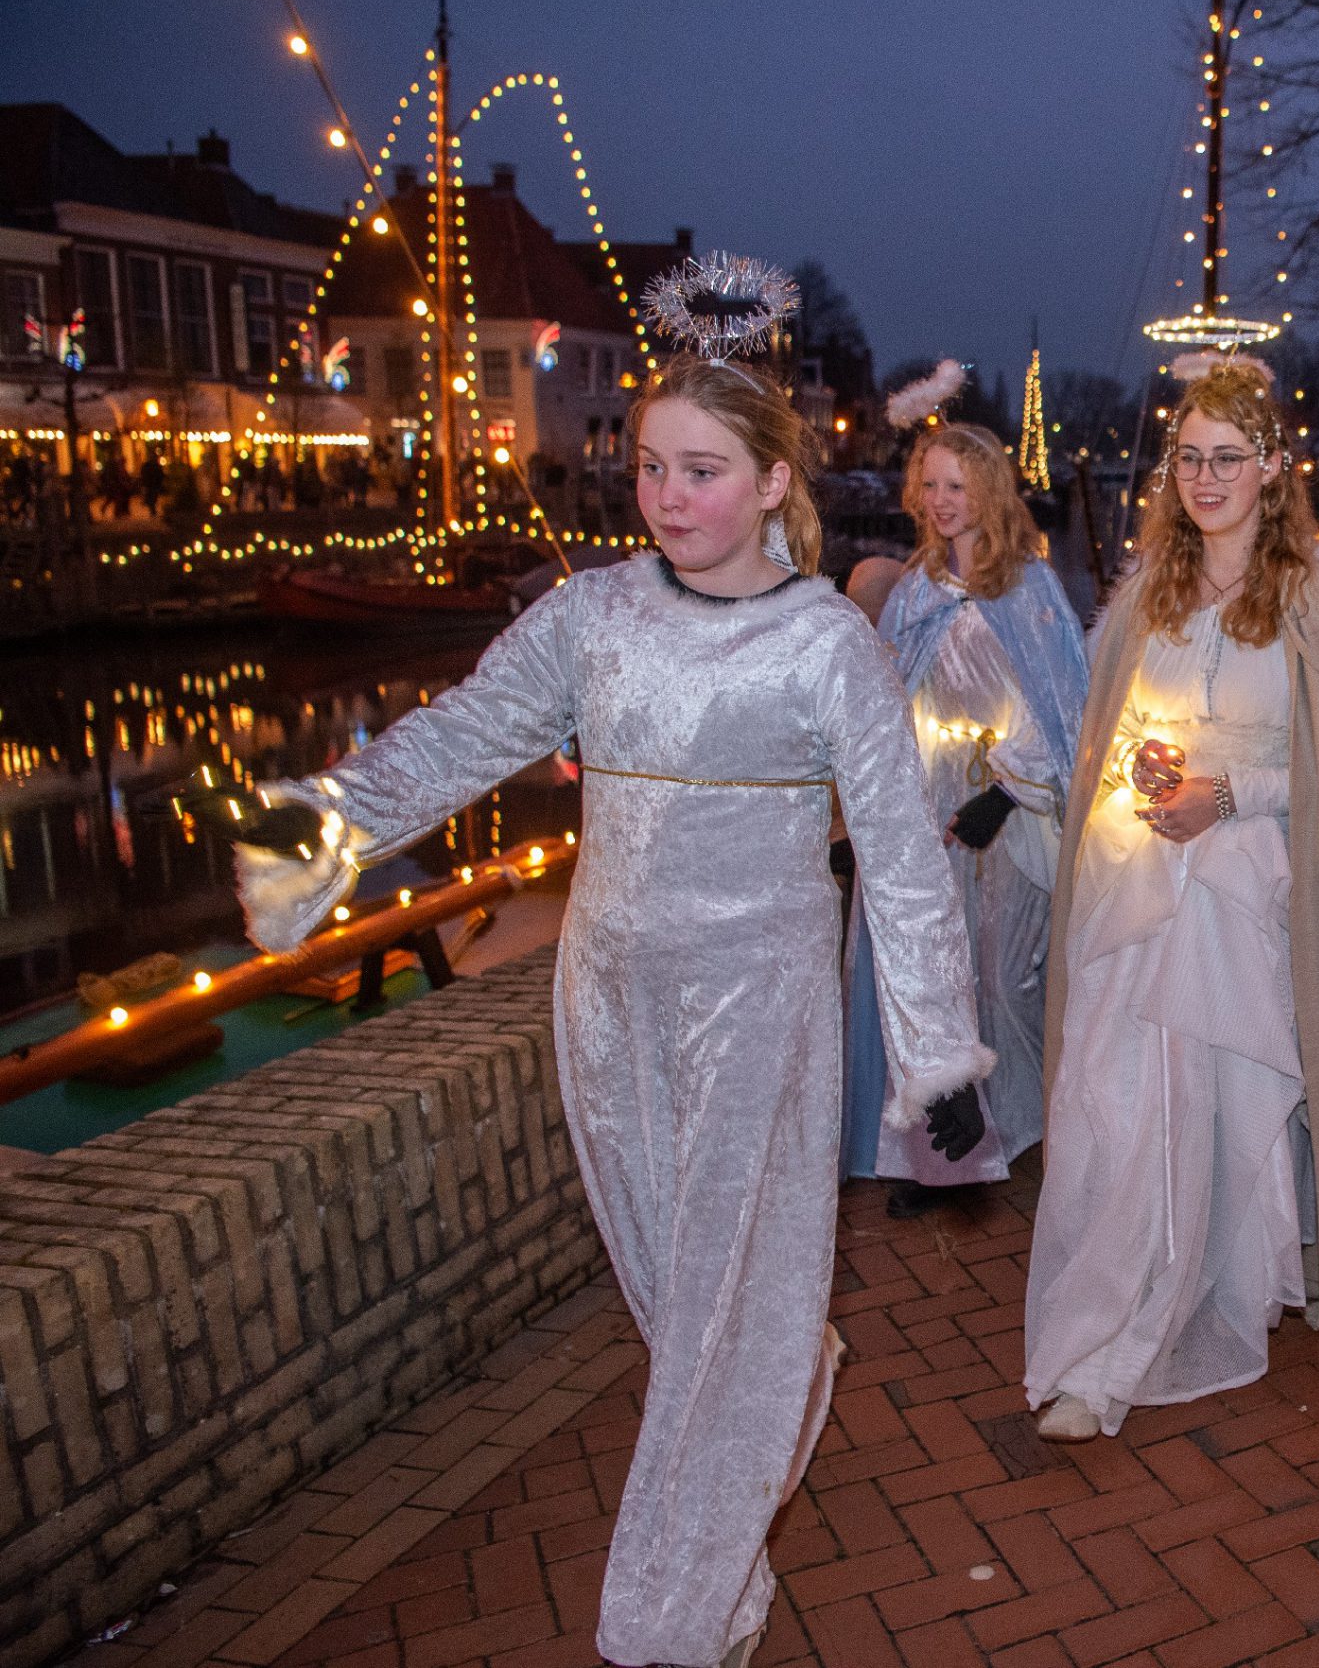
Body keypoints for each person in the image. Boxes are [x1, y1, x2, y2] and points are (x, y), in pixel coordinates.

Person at [225, 275, 992, 1668]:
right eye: (649, 467)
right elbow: (467, 732)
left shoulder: (827, 643)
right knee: (684, 1304)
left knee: (716, 1320)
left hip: (759, 1007)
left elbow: (899, 855)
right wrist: (327, 816)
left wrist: (936, 1048)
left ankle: (666, 1624)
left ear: (772, 482)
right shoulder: (592, 617)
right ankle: (776, 1374)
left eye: (700, 471)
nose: (666, 497)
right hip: (607, 1002)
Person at [1024, 360, 1319, 1443]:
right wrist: (1141, 773)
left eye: (1227, 457)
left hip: (1245, 884)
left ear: (1272, 467)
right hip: (1133, 880)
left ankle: (1174, 1306)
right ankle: (1105, 1325)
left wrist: (1226, 793)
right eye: (1188, 457)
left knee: (1214, 1103)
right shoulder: (1144, 593)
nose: (1204, 477)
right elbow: (1104, 737)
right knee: (1112, 1102)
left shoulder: (1314, 603)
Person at [845, 422, 1089, 1215]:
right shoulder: (915, 589)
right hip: (931, 805)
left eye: (957, 484)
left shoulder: (1030, 586)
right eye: (931, 484)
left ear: (988, 487)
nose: (942, 500)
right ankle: (948, 1158)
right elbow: (884, 700)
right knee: (936, 975)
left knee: (1009, 977)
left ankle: (1031, 1126)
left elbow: (1062, 702)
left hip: (1011, 806)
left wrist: (1007, 791)